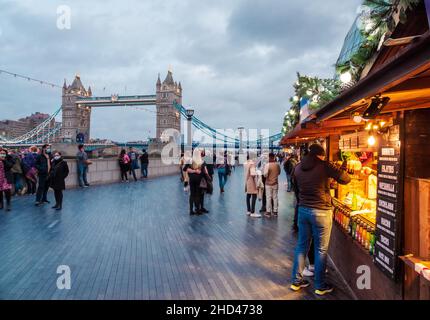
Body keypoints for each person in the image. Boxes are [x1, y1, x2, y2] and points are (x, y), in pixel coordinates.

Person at [290, 144, 351, 296]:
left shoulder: (297, 167)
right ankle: (320, 285)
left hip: (303, 211)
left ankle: (296, 281)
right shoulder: (324, 166)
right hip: (322, 212)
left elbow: (296, 189)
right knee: (321, 250)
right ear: (320, 155)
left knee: (301, 247)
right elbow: (345, 179)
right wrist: (342, 169)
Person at [183, 149, 209, 215]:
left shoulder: (190, 160)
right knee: (198, 194)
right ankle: (198, 210)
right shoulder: (202, 161)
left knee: (192, 194)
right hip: (199, 180)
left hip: (191, 179)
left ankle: (191, 211)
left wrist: (193, 171)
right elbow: (205, 172)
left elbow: (184, 169)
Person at [263, 152, 281, 217]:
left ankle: (268, 212)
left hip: (268, 183)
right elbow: (279, 173)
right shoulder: (277, 164)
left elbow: (265, 175)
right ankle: (275, 212)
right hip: (275, 183)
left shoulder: (267, 165)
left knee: (268, 197)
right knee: (275, 197)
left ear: (269, 157)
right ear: (274, 157)